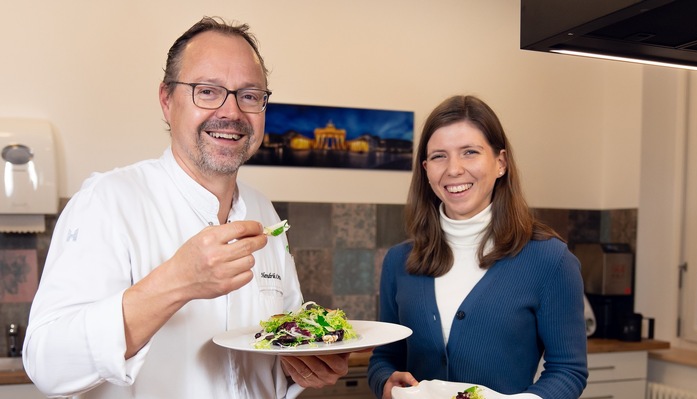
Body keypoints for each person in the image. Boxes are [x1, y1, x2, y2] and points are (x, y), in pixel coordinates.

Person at [23, 17, 350, 399]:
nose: (231, 112)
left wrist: (302, 369)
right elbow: (47, 364)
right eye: (207, 91)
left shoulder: (264, 213)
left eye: (249, 95)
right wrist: (177, 281)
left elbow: (276, 349)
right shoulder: (108, 201)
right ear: (167, 100)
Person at [367, 95, 588, 399]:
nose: (454, 169)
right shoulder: (399, 261)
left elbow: (568, 370)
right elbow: (385, 357)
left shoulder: (550, 260)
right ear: (426, 169)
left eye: (469, 152)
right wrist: (385, 382)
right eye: (439, 156)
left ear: (500, 163)